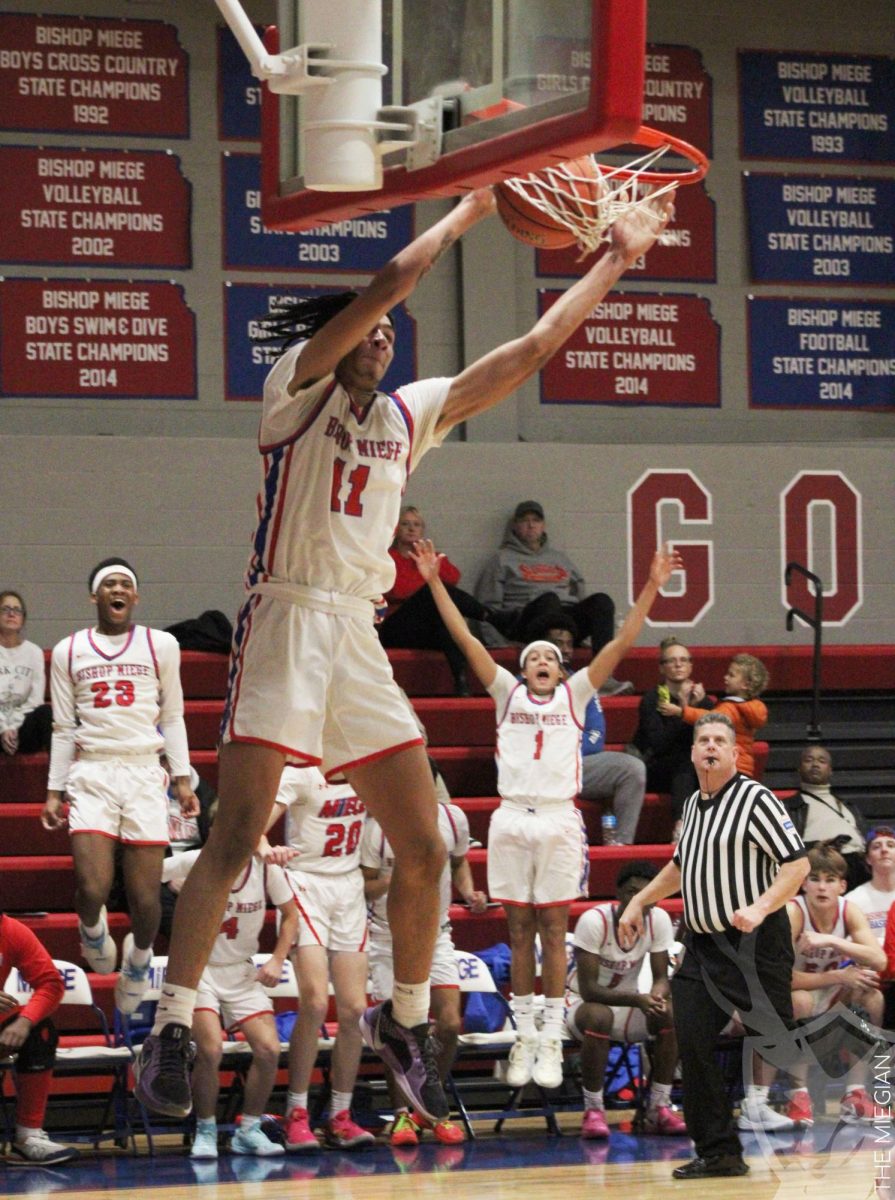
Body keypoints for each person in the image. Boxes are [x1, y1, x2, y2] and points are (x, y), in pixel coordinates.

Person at [132, 182, 675, 1123]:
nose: (385, 339)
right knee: (235, 833)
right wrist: (467, 210)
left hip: (355, 629)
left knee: (423, 843)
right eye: (373, 328)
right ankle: (175, 1025)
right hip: (286, 618)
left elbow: (532, 350)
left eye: (392, 335)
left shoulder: (407, 416)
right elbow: (385, 282)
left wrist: (614, 258)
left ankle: (408, 1023)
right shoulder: (293, 391)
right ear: (345, 332)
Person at [413, 536, 681, 1091]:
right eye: (532, 655)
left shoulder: (576, 697)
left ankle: (550, 1035)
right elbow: (465, 639)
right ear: (523, 667)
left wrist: (652, 587)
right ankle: (526, 1033)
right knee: (518, 929)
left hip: (558, 819)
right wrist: (435, 580)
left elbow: (623, 641)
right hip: (513, 818)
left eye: (549, 658)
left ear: (561, 671)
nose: (540, 662)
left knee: (554, 929)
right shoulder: (506, 692)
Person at [618, 713, 809, 1180]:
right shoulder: (694, 806)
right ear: (692, 752)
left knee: (777, 1039)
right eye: (702, 739)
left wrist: (761, 908)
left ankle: (831, 1080)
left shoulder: (755, 799)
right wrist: (639, 902)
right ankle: (720, 1151)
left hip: (753, 942)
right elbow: (682, 865)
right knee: (693, 1039)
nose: (709, 746)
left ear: (733, 752)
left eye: (719, 740)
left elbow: (797, 866)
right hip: (702, 945)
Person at [41, 558, 198, 1017]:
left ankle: (139, 959)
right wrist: (55, 790)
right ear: (95, 596)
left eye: (125, 584)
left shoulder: (161, 645)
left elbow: (172, 716)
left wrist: (183, 779)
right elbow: (63, 726)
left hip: (145, 772)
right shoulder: (70, 650)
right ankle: (93, 931)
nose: (117, 589)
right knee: (92, 888)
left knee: (147, 899)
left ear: (135, 597)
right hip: (92, 773)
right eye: (108, 583)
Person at [361, 762, 487, 1147]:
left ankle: (426, 1109)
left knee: (449, 1023)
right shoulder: (375, 828)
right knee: (398, 1031)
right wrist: (400, 878)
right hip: (387, 940)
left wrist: (468, 892)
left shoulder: (452, 819)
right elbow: (364, 885)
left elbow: (459, 860)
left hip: (437, 935)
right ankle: (402, 1117)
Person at [262, 766, 374, 1152]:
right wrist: (267, 849)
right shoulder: (299, 775)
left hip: (349, 886)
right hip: (306, 882)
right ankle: (296, 1111)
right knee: (312, 1001)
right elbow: (255, 829)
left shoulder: (368, 771)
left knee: (355, 1009)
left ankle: (339, 1115)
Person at [162, 845, 299, 1160]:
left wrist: (278, 959)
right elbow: (143, 879)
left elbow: (291, 914)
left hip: (240, 969)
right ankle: (206, 1129)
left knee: (268, 1050)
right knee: (210, 1050)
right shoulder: (195, 860)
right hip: (199, 967)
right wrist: (168, 896)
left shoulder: (265, 868)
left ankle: (248, 1130)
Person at [738, 843, 883, 1132]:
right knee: (800, 1002)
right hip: (786, 993)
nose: (822, 887)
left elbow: (879, 960)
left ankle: (854, 1094)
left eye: (830, 880)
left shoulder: (849, 910)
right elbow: (781, 980)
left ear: (842, 885)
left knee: (872, 997)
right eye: (815, 879)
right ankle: (798, 1095)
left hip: (826, 991)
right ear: (803, 884)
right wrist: (840, 977)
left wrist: (831, 941)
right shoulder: (793, 913)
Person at [565, 861, 686, 1139]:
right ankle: (593, 1110)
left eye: (646, 893)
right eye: (631, 891)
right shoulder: (594, 920)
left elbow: (660, 977)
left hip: (629, 1005)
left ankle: (658, 1106)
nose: (638, 899)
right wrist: (639, 1000)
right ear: (619, 893)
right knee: (599, 1015)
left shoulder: (658, 920)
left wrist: (657, 996)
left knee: (670, 1013)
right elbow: (589, 990)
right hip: (580, 1005)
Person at [475, 501, 632, 697]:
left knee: (602, 601)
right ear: (515, 526)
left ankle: (603, 678)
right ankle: (554, 675)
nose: (531, 525)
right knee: (549, 599)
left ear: (543, 525)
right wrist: (497, 642)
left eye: (536, 520)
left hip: (562, 618)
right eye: (524, 521)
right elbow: (488, 608)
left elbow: (580, 593)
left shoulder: (560, 559)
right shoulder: (501, 559)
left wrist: (579, 634)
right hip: (526, 620)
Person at [545, 619, 646, 844]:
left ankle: (621, 844)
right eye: (558, 643)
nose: (565, 649)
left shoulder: (580, 681)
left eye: (569, 644)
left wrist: (566, 752)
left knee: (632, 768)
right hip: (540, 769)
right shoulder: (522, 686)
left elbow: (596, 735)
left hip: (575, 765)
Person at [377, 506, 491, 695]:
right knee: (430, 592)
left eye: (416, 525)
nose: (411, 529)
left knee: (446, 626)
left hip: (422, 630)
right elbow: (397, 589)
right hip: (394, 626)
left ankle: (461, 682)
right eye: (405, 524)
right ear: (396, 529)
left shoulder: (428, 557)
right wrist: (429, 580)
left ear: (422, 530)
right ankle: (491, 616)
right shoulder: (388, 558)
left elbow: (453, 577)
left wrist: (427, 564)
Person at [0, 912, 79, 1165]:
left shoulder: (10, 930)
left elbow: (51, 984)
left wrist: (25, 1021)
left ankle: (28, 1136)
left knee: (39, 1030)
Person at [630, 637, 714, 836]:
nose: (678, 664)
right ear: (661, 668)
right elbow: (659, 745)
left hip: (691, 770)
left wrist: (697, 707)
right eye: (672, 660)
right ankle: (681, 825)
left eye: (684, 660)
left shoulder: (703, 700)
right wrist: (685, 710)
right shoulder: (652, 699)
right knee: (684, 761)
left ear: (691, 666)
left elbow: (711, 737)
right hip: (656, 767)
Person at [664, 652, 769, 779]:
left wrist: (681, 711)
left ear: (745, 684)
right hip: (744, 767)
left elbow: (710, 719)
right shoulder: (753, 708)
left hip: (728, 767)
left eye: (731, 675)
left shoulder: (731, 708)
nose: (725, 677)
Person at [786, 745, 868, 891]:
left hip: (858, 868)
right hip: (822, 869)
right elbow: (786, 848)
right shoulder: (790, 807)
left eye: (821, 761)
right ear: (799, 769)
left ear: (830, 770)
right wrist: (820, 846)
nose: (815, 764)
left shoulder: (848, 807)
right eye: (809, 760)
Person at [0, 590, 52, 756]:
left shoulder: (33, 652)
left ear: (23, 619)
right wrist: (3, 728)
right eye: (6, 609)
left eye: (17, 610)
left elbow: (35, 700)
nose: (11, 613)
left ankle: (60, 778)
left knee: (46, 712)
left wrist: (14, 726)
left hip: (22, 727)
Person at [847, 826, 895, 944]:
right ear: (868, 858)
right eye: (876, 847)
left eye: (890, 845)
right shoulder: (852, 901)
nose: (884, 850)